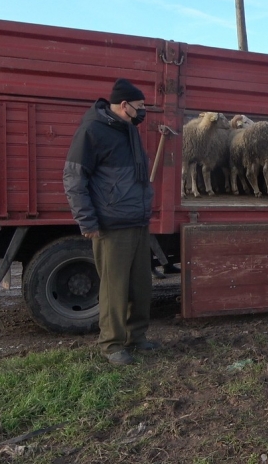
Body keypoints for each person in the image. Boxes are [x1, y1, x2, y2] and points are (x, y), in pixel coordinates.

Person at [63, 78, 158, 365]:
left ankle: (136, 337)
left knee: (140, 286)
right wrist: (87, 220)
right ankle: (113, 344)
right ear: (125, 105)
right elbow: (74, 178)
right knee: (114, 288)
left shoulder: (128, 131)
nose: (143, 112)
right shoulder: (93, 131)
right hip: (111, 225)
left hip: (137, 221)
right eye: (140, 107)